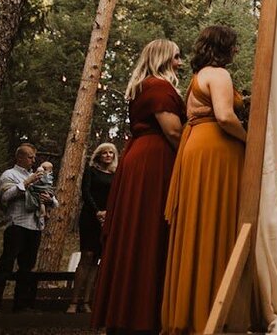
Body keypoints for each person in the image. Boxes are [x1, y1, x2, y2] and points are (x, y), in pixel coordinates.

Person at [93, 39, 185, 335]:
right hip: (153, 163)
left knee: (137, 233)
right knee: (148, 233)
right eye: (177, 57)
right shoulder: (158, 86)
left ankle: (129, 312)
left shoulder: (144, 86)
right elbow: (172, 130)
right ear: (164, 58)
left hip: (140, 158)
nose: (181, 64)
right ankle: (141, 317)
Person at [161, 25, 247, 335]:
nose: (236, 51)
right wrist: (249, 140)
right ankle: (209, 313)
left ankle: (187, 310)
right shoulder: (220, 75)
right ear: (225, 47)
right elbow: (224, 116)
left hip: (196, 146)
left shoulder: (197, 77)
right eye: (234, 46)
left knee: (196, 226)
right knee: (213, 223)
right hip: (215, 150)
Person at [0, 143, 58, 313]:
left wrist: (49, 200)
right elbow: (5, 196)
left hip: (35, 226)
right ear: (20, 157)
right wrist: (26, 183)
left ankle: (21, 305)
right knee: (6, 264)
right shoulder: (9, 175)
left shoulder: (38, 176)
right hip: (17, 224)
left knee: (27, 267)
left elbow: (54, 202)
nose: (34, 160)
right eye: (30, 157)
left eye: (34, 157)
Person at [68, 142, 118, 314]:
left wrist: (108, 213)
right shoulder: (91, 171)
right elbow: (86, 192)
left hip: (108, 218)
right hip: (90, 216)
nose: (108, 155)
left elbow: (117, 195)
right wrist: (97, 211)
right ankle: (74, 302)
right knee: (87, 256)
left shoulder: (115, 175)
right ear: (98, 155)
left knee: (97, 258)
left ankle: (87, 301)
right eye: (105, 152)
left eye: (111, 153)